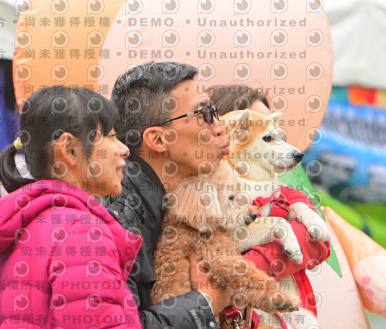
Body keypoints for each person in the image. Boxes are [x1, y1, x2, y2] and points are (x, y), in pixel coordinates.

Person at [0, 86, 140, 328]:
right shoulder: (82, 232)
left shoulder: (25, 223)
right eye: (111, 136)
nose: (124, 149)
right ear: (69, 149)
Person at [104, 62, 231, 328]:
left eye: (214, 111)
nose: (220, 127)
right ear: (158, 140)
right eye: (203, 113)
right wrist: (205, 302)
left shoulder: (179, 201)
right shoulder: (116, 216)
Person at [206, 84, 331, 319]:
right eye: (263, 133)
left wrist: (253, 262)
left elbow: (319, 242)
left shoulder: (287, 193)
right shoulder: (204, 193)